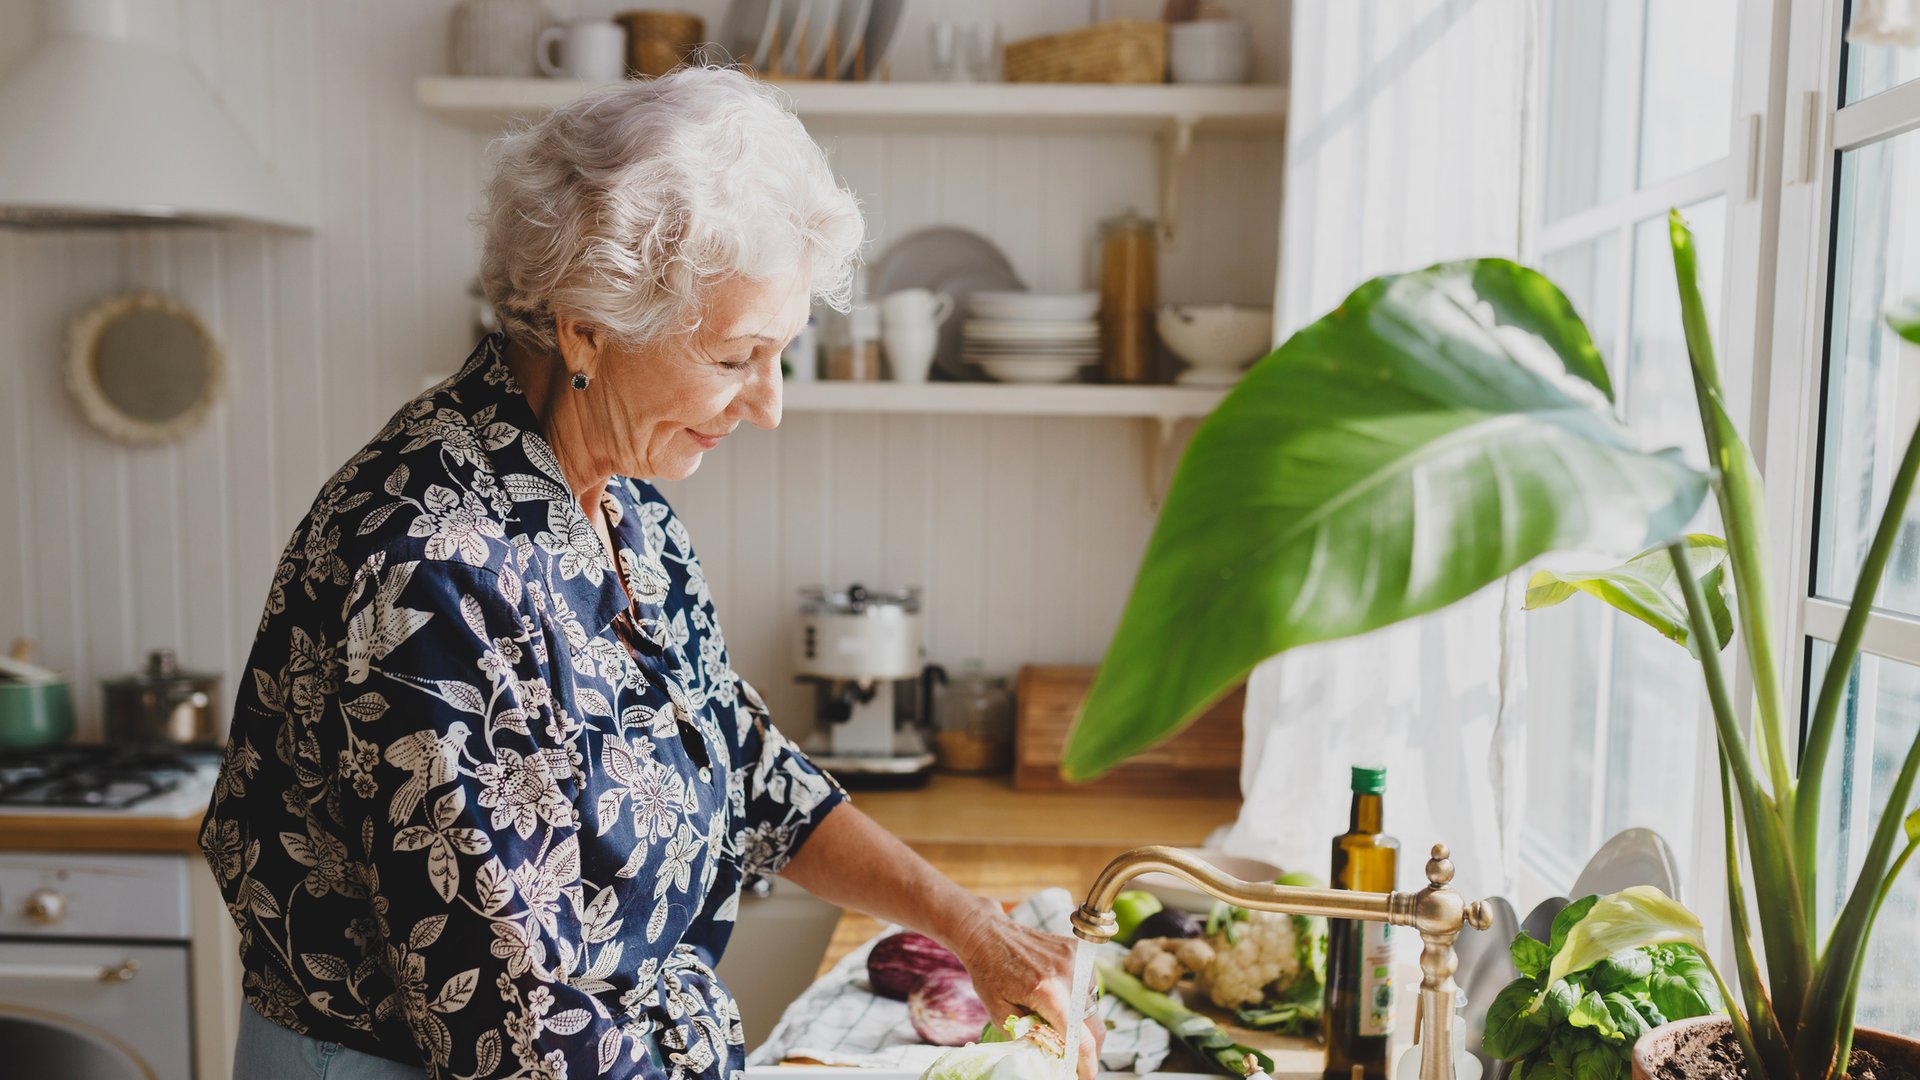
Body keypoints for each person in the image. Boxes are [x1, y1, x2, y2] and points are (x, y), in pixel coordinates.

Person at [201, 66, 1100, 1080]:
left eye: (782, 355)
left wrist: (974, 928)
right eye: (734, 358)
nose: (768, 405)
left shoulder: (624, 505)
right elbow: (514, 1032)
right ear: (588, 327)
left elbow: (749, 770)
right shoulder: (432, 572)